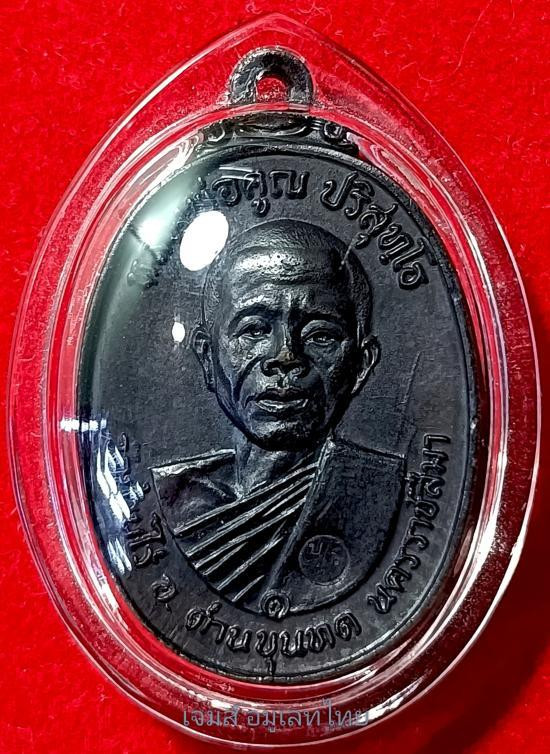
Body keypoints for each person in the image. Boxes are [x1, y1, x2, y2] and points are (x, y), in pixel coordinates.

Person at [152, 219, 404, 618]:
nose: (285, 357)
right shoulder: (172, 496)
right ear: (207, 355)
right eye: (254, 330)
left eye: (320, 335)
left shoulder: (382, 494)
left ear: (361, 364)